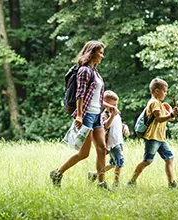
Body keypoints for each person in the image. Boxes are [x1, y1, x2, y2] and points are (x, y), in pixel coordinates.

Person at [50, 40, 116, 190]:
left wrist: (107, 106)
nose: (102, 56)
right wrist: (79, 115)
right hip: (86, 115)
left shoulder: (95, 72)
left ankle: (101, 183)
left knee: (102, 148)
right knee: (84, 153)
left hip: (97, 114)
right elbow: (80, 94)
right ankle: (57, 173)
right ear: (92, 53)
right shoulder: (84, 70)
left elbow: (94, 96)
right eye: (100, 52)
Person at [127, 78, 178, 188]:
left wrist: (171, 112)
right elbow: (160, 118)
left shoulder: (160, 104)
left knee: (169, 158)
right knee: (147, 161)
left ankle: (172, 184)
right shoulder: (154, 103)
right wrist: (171, 114)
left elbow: (171, 119)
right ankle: (131, 181)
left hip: (160, 138)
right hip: (152, 138)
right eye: (164, 91)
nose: (166, 93)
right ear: (157, 91)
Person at [88, 90, 130, 187]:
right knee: (119, 162)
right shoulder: (104, 115)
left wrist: (125, 127)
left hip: (118, 141)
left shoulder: (117, 114)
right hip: (111, 143)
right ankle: (116, 182)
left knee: (113, 163)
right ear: (105, 104)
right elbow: (105, 126)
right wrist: (111, 116)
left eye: (116, 105)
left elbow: (118, 125)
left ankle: (94, 174)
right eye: (112, 105)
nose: (114, 108)